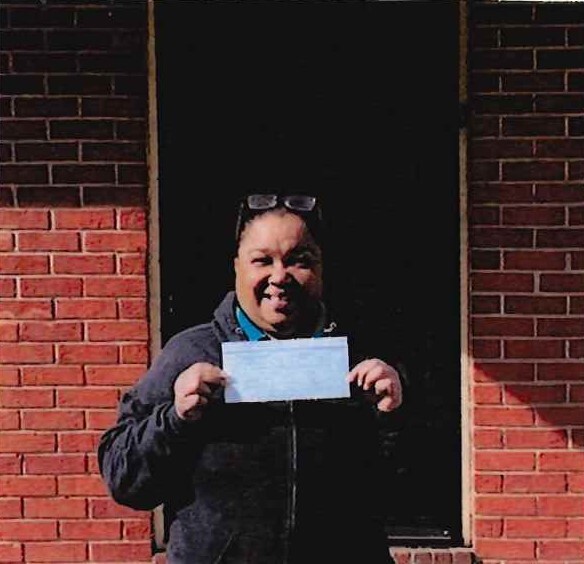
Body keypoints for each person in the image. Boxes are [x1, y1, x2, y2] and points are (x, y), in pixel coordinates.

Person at [98, 193, 405, 564]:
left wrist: (392, 417)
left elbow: (405, 488)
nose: (279, 277)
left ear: (321, 268)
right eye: (262, 260)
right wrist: (174, 418)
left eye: (299, 261)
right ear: (237, 268)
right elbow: (125, 480)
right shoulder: (190, 352)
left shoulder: (360, 356)